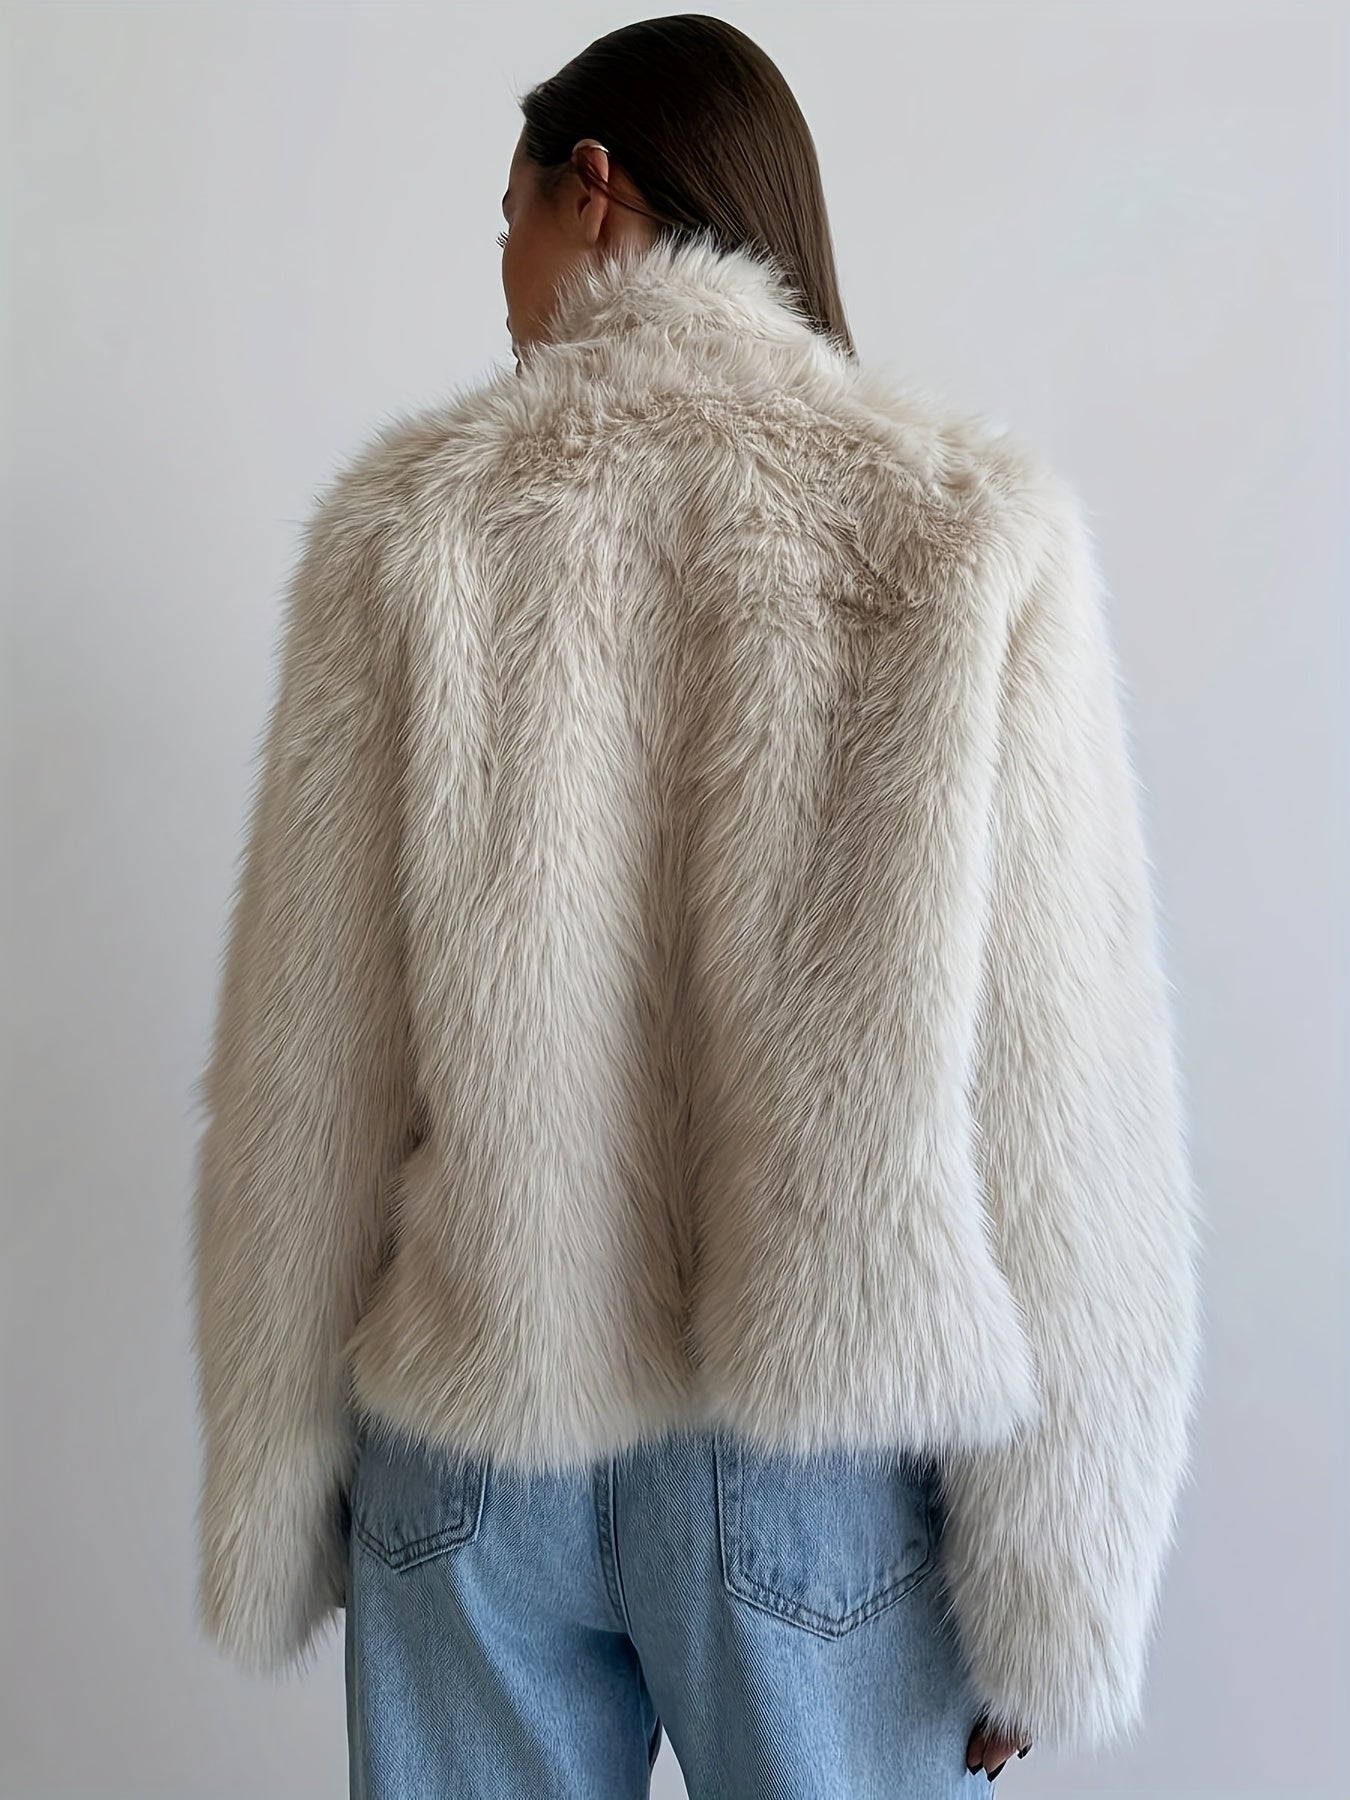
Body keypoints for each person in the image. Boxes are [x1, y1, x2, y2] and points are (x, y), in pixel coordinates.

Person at [188, 15, 1204, 1798]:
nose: (504, 282)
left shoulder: (406, 530)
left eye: (506, 220)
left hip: (476, 1428)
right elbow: (1067, 1099)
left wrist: (275, 1479)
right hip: (813, 1460)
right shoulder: (960, 528)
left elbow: (306, 1068)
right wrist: (1062, 1574)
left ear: (591, 191)